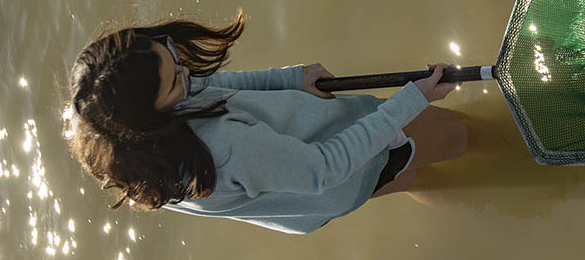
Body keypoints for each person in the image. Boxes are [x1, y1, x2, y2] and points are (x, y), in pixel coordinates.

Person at [65, 13, 468, 234]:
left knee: (406, 179)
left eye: (171, 55)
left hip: (315, 195)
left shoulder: (131, 152)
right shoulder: (225, 150)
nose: (187, 72)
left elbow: (216, 84)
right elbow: (323, 168)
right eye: (176, 80)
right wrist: (411, 102)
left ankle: (418, 181)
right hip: (340, 167)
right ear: (148, 121)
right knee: (462, 135)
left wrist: (289, 79)